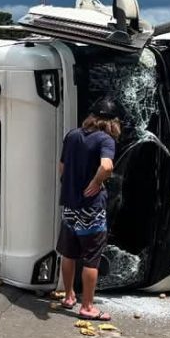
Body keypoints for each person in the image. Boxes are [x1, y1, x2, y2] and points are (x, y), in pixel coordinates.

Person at [57, 97, 121, 320]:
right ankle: (87, 307)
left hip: (69, 206)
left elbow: (62, 168)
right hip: (90, 208)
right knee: (91, 258)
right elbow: (106, 165)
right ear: (113, 122)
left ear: (91, 117)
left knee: (69, 252)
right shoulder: (106, 140)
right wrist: (96, 182)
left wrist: (72, 185)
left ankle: (68, 296)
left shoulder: (72, 135)